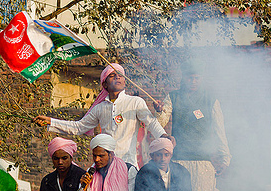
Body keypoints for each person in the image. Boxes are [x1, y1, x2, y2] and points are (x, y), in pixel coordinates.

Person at [34, 63, 173, 167]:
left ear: (125, 82)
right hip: (104, 165)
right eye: (112, 75)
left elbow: (151, 122)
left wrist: (163, 137)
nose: (118, 77)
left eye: (120, 75)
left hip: (127, 164)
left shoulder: (135, 102)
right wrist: (51, 122)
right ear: (104, 84)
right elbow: (78, 127)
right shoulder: (100, 108)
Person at [154, 60, 231, 191]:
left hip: (203, 163)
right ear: (184, 78)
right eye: (190, 78)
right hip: (178, 161)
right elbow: (160, 124)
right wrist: (159, 112)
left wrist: (226, 158)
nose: (193, 81)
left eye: (197, 78)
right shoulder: (173, 97)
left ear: (201, 78)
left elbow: (220, 131)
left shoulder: (211, 100)